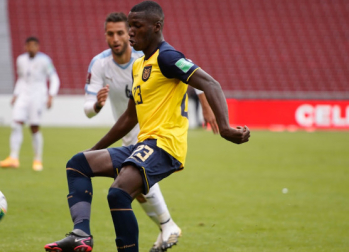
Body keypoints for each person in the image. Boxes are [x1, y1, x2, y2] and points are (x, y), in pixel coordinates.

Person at [44, 1, 250, 252]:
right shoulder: (139, 65)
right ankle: (81, 235)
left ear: (156, 27)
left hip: (165, 146)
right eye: (129, 26)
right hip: (145, 144)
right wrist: (93, 150)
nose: (130, 32)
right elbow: (130, 118)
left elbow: (211, 84)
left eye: (136, 27)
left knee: (118, 192)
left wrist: (226, 128)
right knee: (78, 164)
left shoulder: (168, 57)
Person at [82, 12, 218, 252]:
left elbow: (189, 71)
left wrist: (205, 105)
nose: (116, 38)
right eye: (110, 33)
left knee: (127, 184)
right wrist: (97, 105)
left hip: (154, 130)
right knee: (131, 188)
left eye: (121, 32)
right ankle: (167, 226)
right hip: (127, 128)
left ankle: (167, 226)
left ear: (129, 33)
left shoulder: (146, 53)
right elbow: (88, 110)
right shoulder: (100, 63)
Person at [0, 36, 60, 171]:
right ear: (25, 47)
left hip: (38, 97)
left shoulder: (45, 60)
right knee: (15, 124)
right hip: (23, 96)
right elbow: (21, 79)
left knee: (34, 128)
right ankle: (13, 158)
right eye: (29, 45)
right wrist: (15, 94)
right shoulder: (20, 60)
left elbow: (54, 78)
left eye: (34, 45)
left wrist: (51, 95)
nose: (32, 48)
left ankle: (37, 160)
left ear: (38, 47)